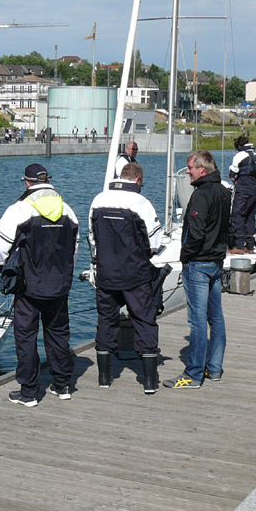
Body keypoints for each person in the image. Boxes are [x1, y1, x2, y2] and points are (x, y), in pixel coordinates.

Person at [0, 163, 78, 407]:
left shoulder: (19, 209)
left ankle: (29, 392)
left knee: (26, 337)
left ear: (27, 182)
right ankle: (62, 385)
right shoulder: (68, 210)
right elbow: (74, 249)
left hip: (28, 287)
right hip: (59, 285)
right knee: (58, 334)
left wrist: (3, 268)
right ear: (48, 181)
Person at [88, 162, 162, 394]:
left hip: (106, 273)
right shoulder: (141, 203)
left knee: (106, 321)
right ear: (138, 180)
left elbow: (93, 238)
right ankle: (149, 381)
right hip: (135, 274)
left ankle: (104, 377)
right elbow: (155, 243)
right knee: (144, 321)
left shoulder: (98, 200)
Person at [163, 149, 229, 389]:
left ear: (202, 169)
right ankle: (214, 368)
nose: (188, 172)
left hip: (199, 263)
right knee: (216, 317)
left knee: (198, 320)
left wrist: (185, 256)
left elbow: (196, 232)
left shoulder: (201, 194)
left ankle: (193, 374)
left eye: (190, 168)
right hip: (216, 261)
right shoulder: (223, 191)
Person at [228, 135, 256, 254]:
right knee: (250, 217)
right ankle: (250, 246)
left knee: (237, 215)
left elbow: (232, 173)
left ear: (239, 146)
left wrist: (235, 179)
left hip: (244, 189)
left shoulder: (240, 155)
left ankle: (239, 245)